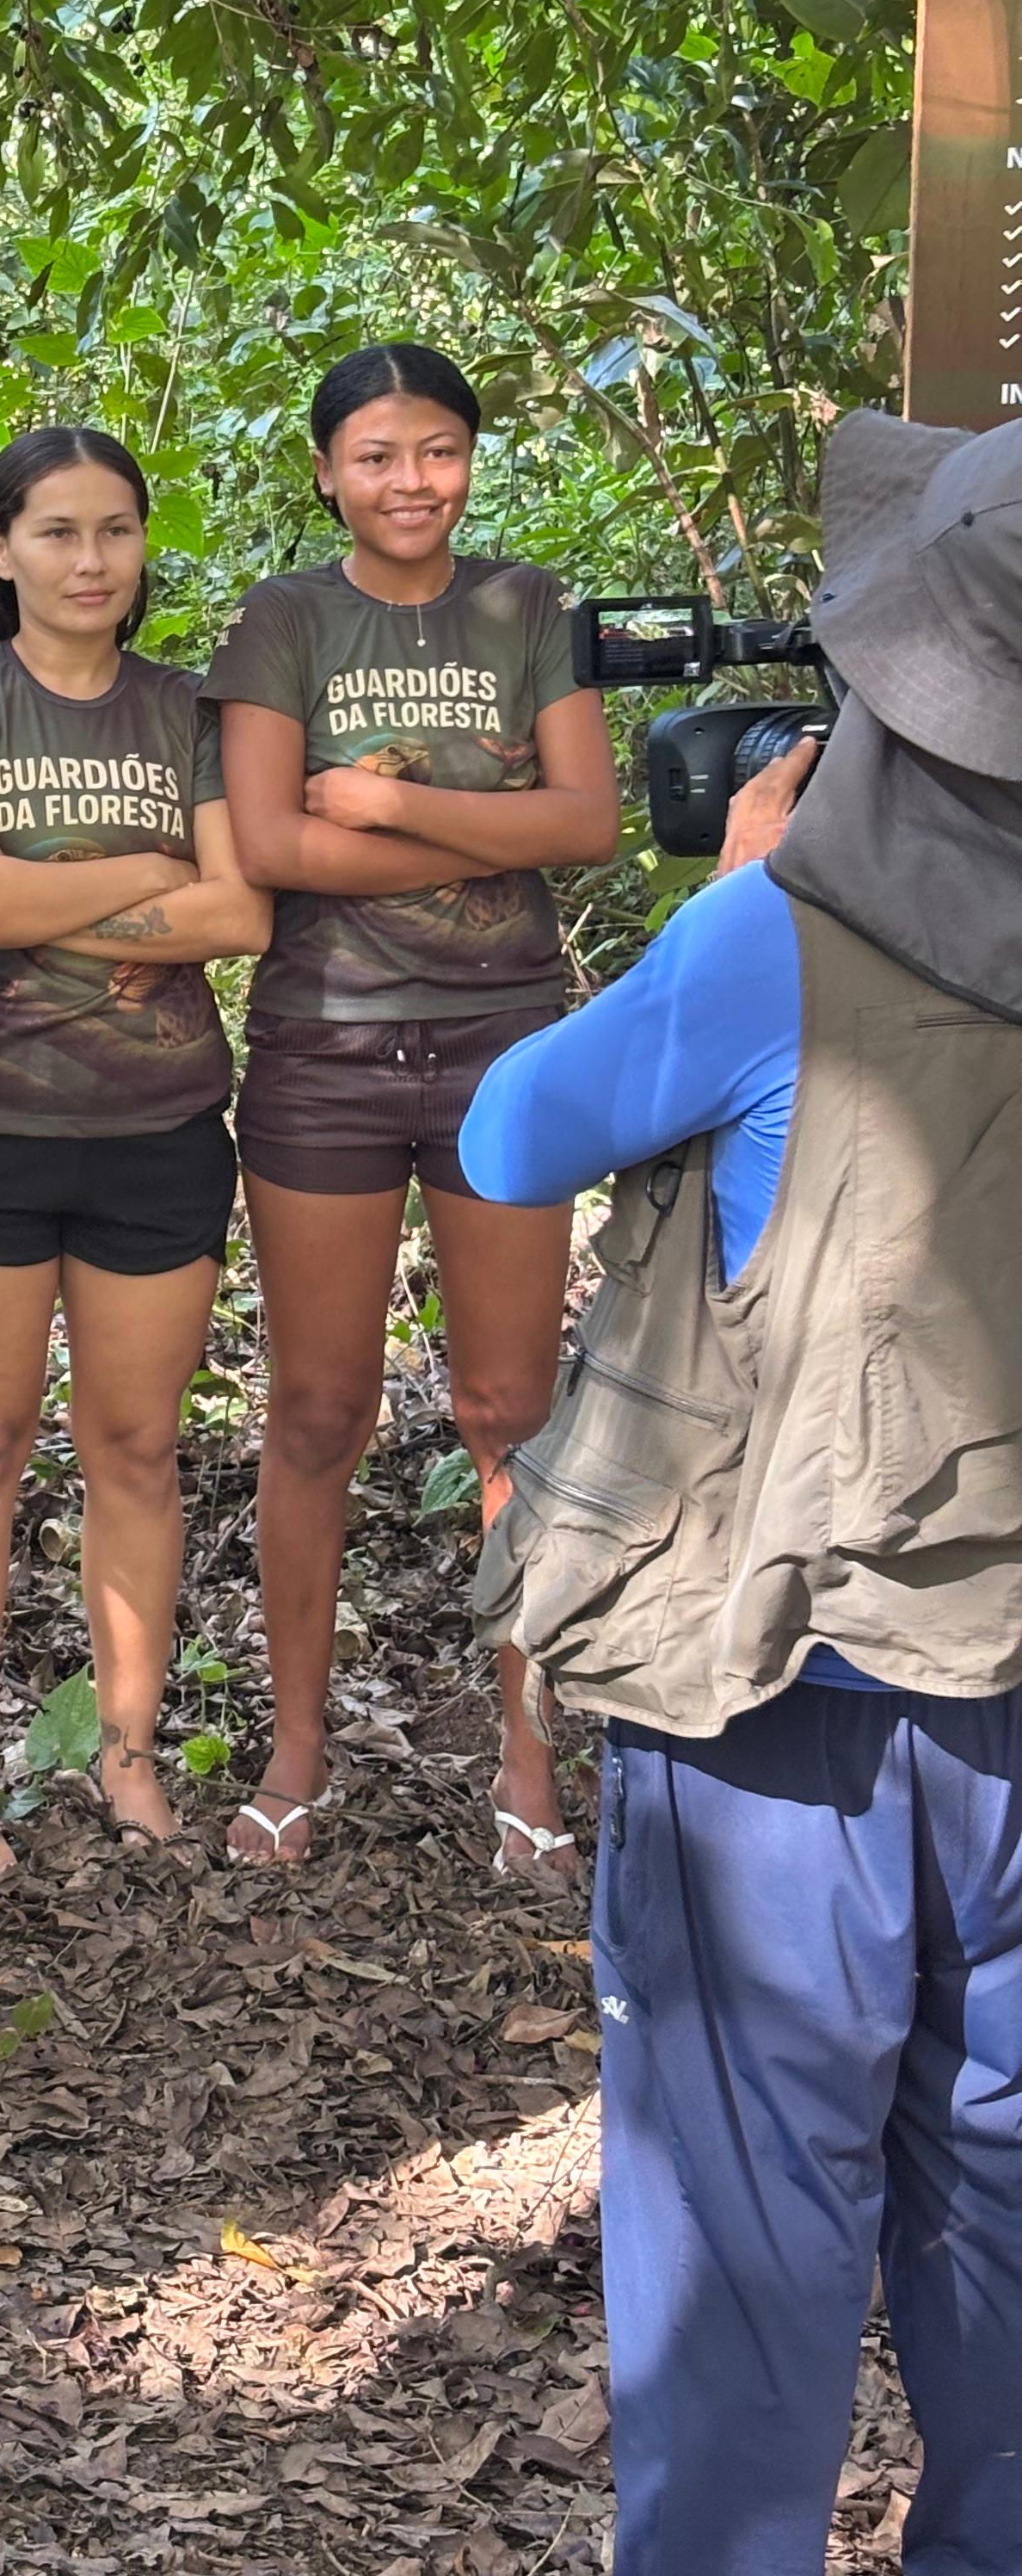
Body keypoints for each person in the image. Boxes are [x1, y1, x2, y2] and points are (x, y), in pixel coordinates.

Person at [460, 408, 1022, 2576]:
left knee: (750, 2204)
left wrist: (724, 903)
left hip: (789, 1667)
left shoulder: (774, 943)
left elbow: (514, 1136)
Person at [206, 343, 617, 1874]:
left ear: (470, 459)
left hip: (504, 1048)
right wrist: (481, 834)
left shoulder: (527, 608)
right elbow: (263, 845)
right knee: (319, 1412)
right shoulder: (285, 620)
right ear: (326, 471)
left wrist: (383, 805)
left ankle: (529, 1763)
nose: (409, 481)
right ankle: (296, 1756)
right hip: (321, 1052)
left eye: (437, 449)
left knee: (511, 1410)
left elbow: (584, 822)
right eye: (375, 455)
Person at [0, 427, 272, 1886]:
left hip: (157, 1131)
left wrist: (30, 888)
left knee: (137, 1448)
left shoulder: (191, 709)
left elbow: (241, 917)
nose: (90, 560)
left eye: (115, 531)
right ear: (1, 551)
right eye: (55, 532)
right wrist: (149, 873)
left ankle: (125, 1748)